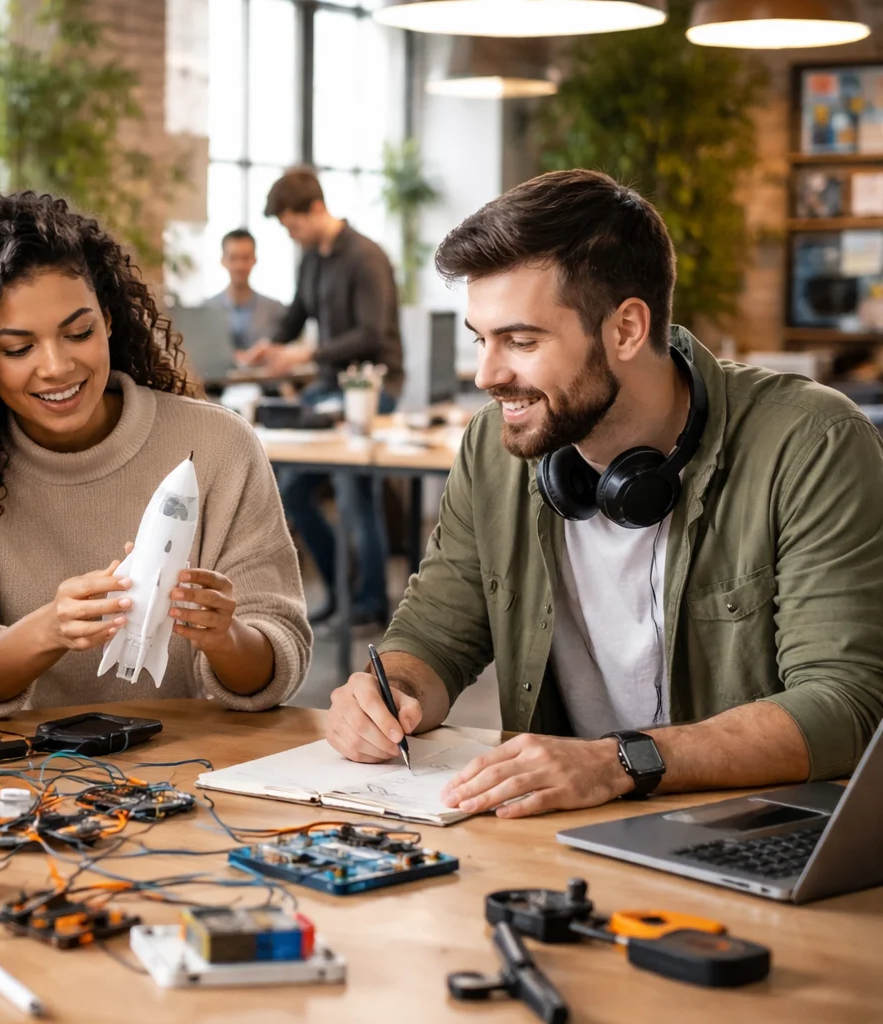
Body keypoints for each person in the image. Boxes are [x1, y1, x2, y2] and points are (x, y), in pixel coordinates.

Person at [326, 169, 883, 818]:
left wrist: (619, 762)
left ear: (625, 330)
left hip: (754, 830)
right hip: (566, 828)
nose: (487, 374)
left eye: (522, 341)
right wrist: (389, 691)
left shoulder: (810, 442)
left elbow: (847, 705)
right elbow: (436, 636)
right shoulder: (496, 448)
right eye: (483, 340)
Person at [0, 191, 311, 720]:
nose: (57, 366)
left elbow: (279, 656)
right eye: (18, 348)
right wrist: (51, 628)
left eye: (79, 332)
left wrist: (225, 636)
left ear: (108, 321)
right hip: (8, 778)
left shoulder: (220, 446)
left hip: (191, 768)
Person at [243, 168, 404, 626]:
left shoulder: (367, 257)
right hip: (329, 388)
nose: (292, 235)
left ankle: (370, 603)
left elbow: (371, 335)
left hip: (372, 388)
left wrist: (304, 354)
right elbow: (296, 313)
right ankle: (342, 588)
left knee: (356, 490)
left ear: (316, 209)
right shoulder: (313, 258)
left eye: (293, 225)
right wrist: (270, 345)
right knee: (290, 489)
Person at [204, 228, 286, 350]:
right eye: (233, 258)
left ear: (254, 259)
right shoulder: (207, 309)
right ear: (223, 260)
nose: (240, 266)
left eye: (245, 258)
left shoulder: (275, 309)